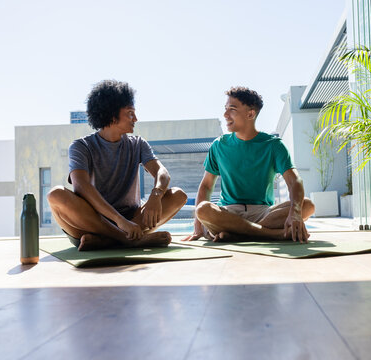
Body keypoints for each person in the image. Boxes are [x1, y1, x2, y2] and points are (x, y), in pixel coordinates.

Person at [48, 80, 187, 251]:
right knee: (55, 194)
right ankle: (128, 240)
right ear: (112, 115)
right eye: (130, 113)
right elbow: (81, 187)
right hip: (91, 223)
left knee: (178, 195)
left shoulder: (138, 144)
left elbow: (162, 172)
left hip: (132, 223)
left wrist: (156, 196)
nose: (135, 119)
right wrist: (120, 222)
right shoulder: (80, 147)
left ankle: (109, 242)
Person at [183, 86, 314, 243]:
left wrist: (295, 212)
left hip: (263, 213)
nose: (225, 115)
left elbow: (295, 181)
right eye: (225, 109)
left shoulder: (273, 145)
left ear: (250, 114)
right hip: (228, 212)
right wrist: (198, 227)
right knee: (203, 209)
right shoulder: (218, 145)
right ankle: (272, 235)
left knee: (307, 205)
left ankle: (239, 234)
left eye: (232, 109)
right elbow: (206, 186)